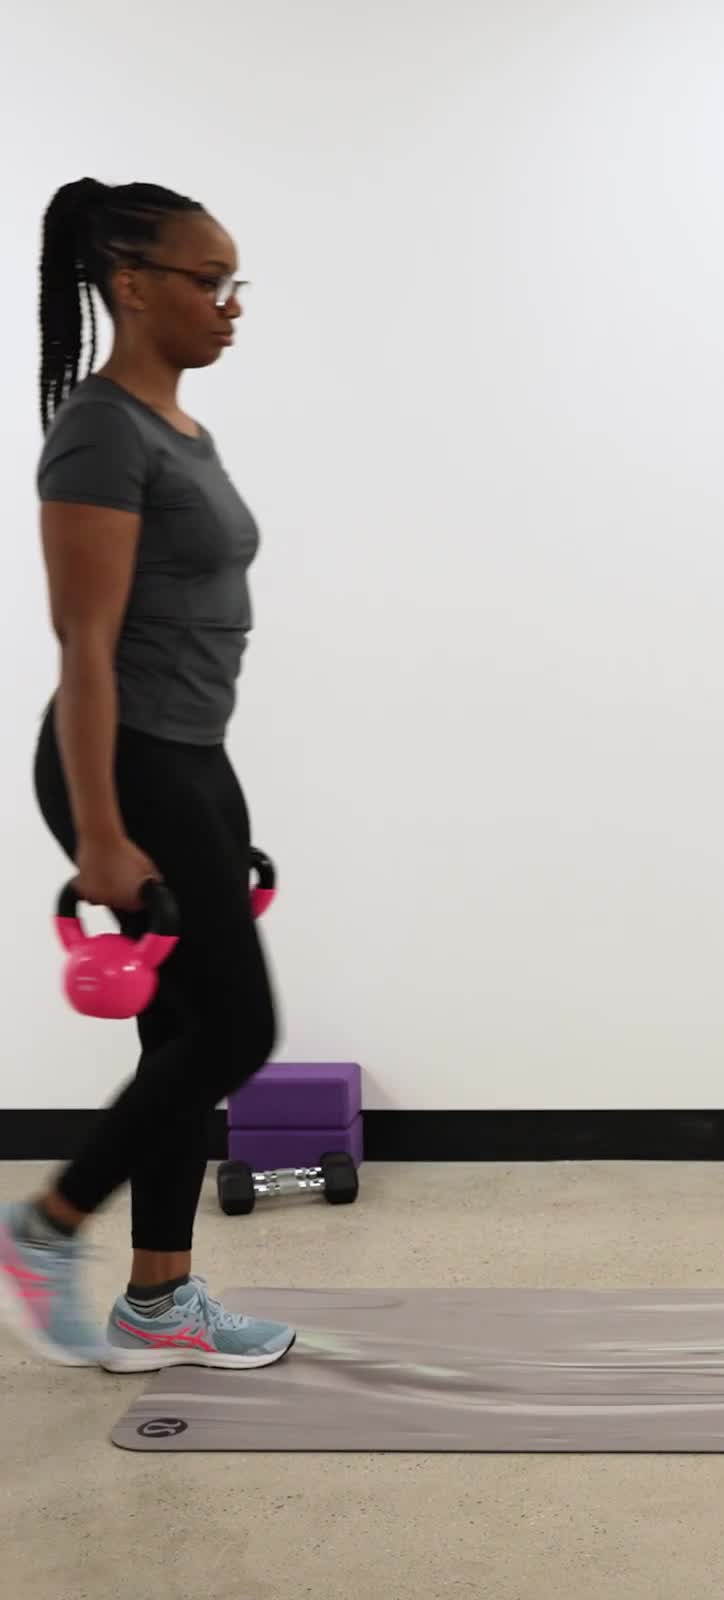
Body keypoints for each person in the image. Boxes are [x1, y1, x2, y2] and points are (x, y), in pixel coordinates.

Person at [0, 178, 295, 1372]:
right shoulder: (100, 432)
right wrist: (103, 834)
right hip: (124, 762)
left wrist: (212, 808)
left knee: (180, 1037)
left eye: (235, 283)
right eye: (208, 280)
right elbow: (84, 647)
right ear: (132, 284)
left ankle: (159, 1302)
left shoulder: (177, 430)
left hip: (190, 758)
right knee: (238, 1028)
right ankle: (44, 1225)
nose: (230, 305)